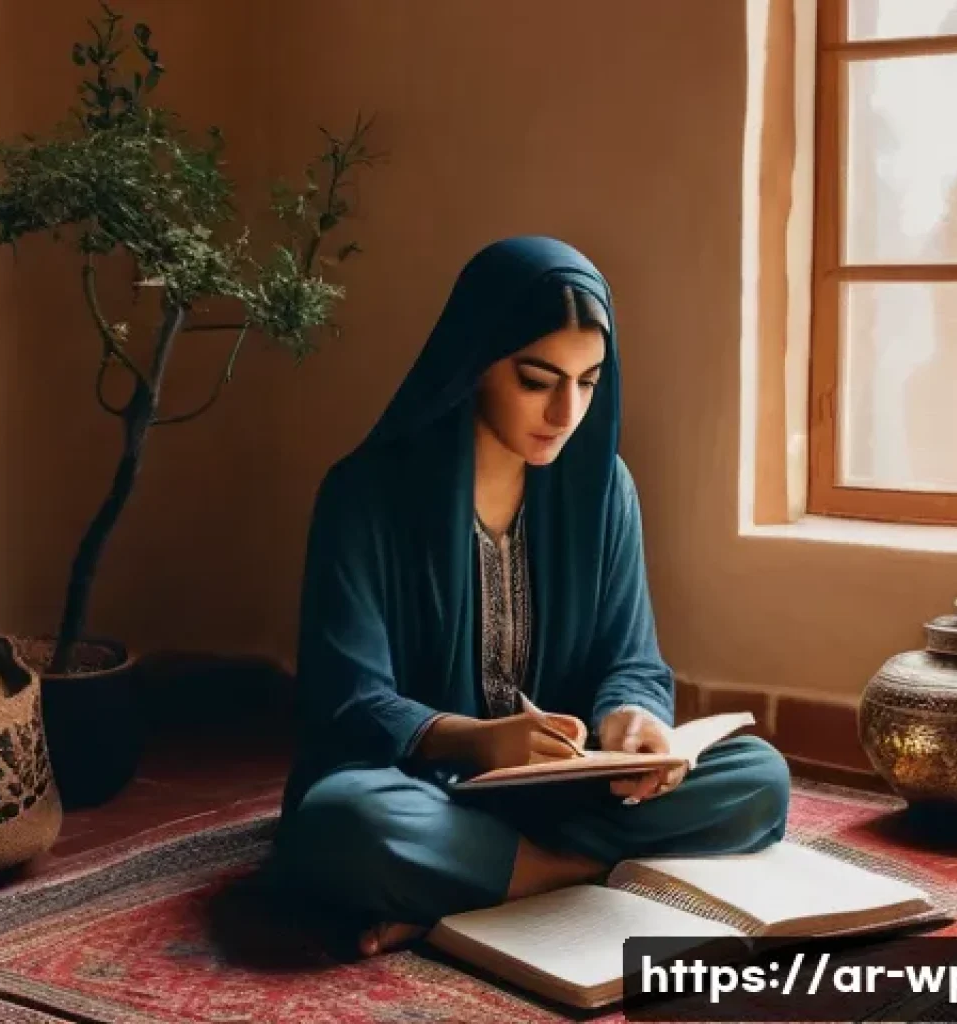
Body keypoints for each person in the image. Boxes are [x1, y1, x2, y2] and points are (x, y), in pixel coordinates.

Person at [270, 236, 791, 958]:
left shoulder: (604, 491)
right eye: (538, 379)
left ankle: (483, 885)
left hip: (558, 795)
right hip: (421, 786)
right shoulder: (364, 496)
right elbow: (349, 699)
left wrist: (631, 724)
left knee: (759, 778)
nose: (565, 410)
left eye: (588, 382)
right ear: (476, 361)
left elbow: (631, 658)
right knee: (342, 823)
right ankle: (577, 879)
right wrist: (478, 740)